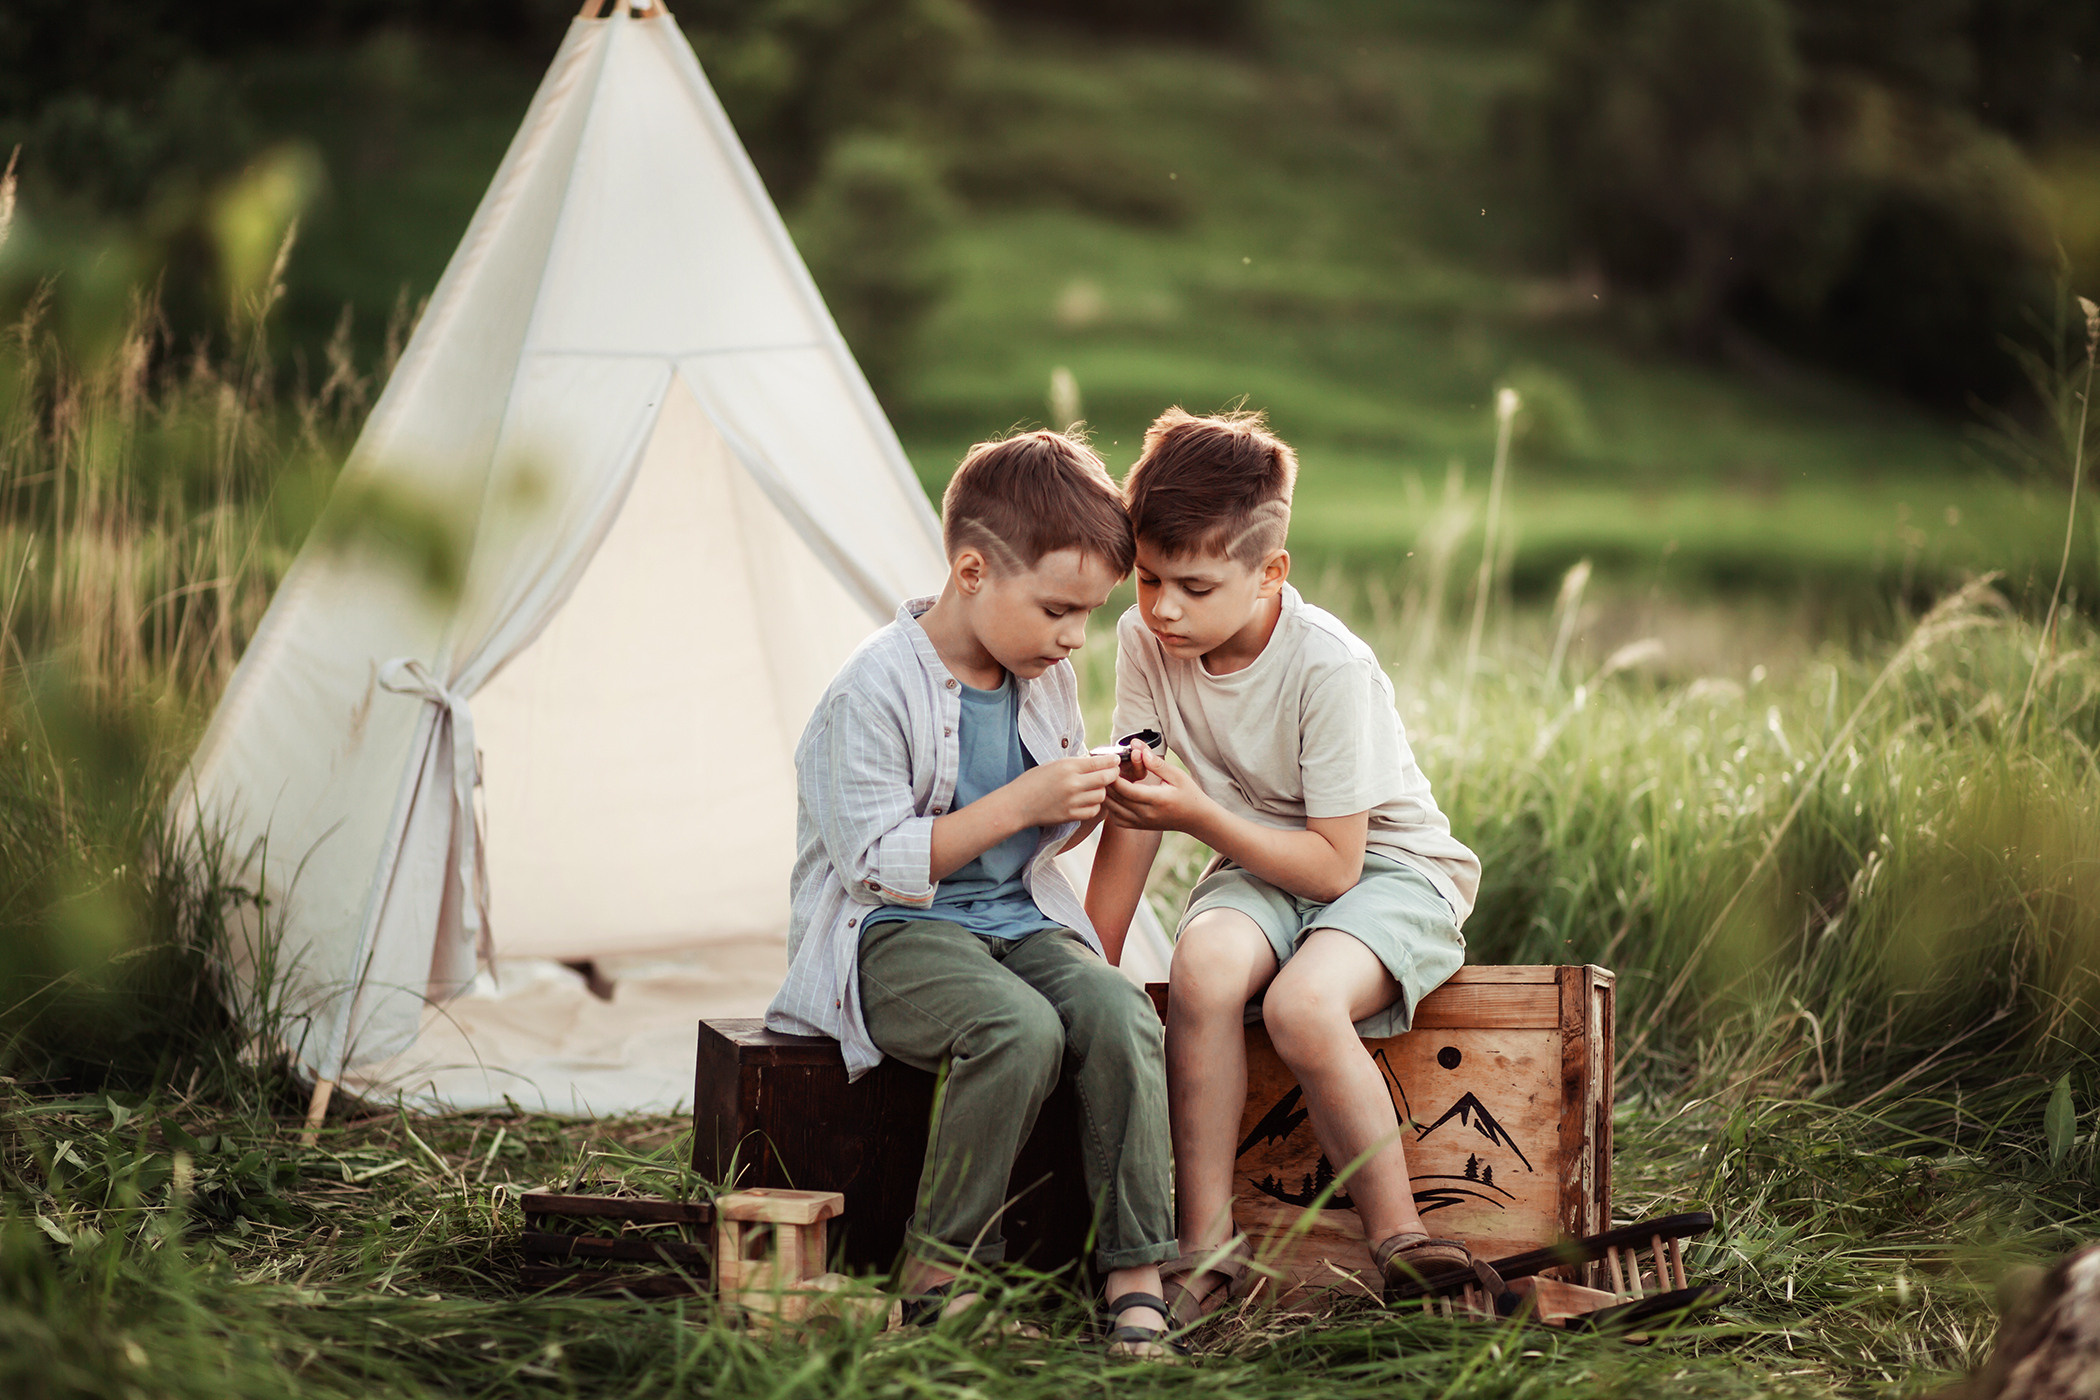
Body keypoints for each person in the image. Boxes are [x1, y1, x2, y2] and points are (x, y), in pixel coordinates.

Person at [765, 430, 1181, 1356]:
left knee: (1119, 1010)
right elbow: (875, 862)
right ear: (971, 571)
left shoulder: (1046, 677)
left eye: (1089, 614)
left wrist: (1092, 796)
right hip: (891, 933)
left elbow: (1032, 846)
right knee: (1016, 1029)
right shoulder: (870, 689)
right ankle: (939, 1275)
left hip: (1016, 923)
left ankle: (1136, 1270)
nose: (1076, 637)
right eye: (1058, 609)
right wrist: (1024, 798)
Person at [1086, 408, 1484, 1324]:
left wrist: (1201, 812)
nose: (1163, 608)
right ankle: (1207, 1248)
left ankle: (1401, 1242)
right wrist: (1093, 968)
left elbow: (1338, 867)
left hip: (1385, 868)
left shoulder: (1328, 667)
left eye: (1193, 585)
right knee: (1203, 967)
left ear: (1271, 573)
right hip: (1260, 860)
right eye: (1147, 579)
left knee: (1306, 1005)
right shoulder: (1147, 643)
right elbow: (1143, 808)